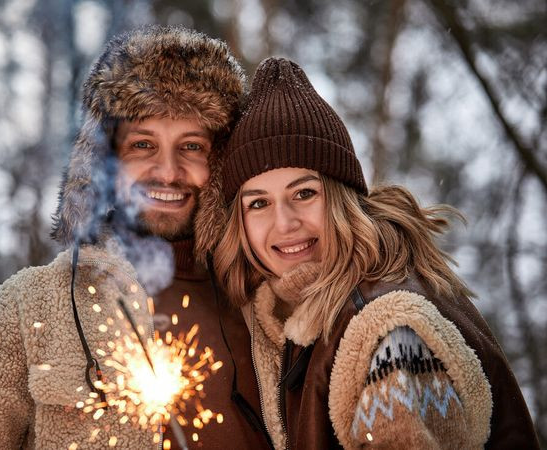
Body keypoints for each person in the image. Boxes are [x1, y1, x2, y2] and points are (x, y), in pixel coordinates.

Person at [0, 26, 269, 449]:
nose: (168, 171)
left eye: (192, 147)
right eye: (143, 145)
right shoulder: (36, 302)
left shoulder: (261, 302)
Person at [196, 57, 540, 449]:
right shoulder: (301, 319)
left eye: (304, 193)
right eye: (258, 204)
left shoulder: (388, 332)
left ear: (342, 197)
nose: (284, 223)